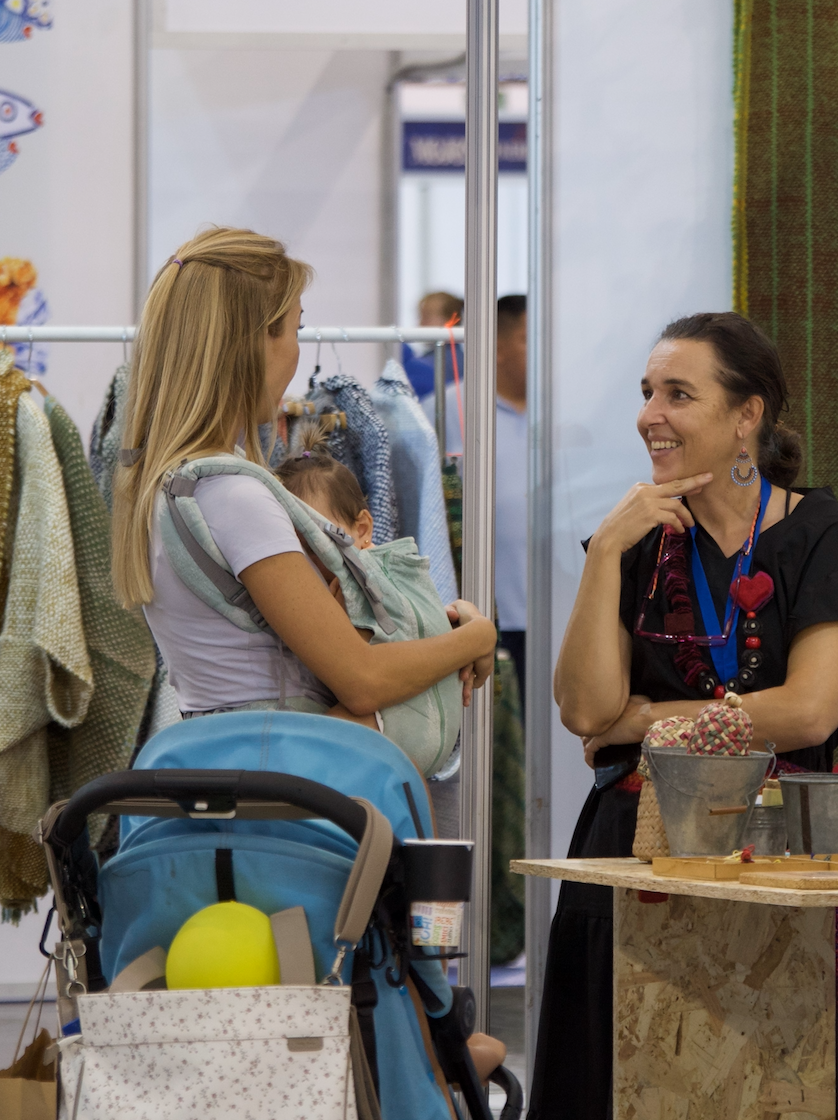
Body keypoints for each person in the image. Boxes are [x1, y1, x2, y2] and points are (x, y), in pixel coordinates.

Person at [527, 312, 838, 1120]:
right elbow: (583, 708)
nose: (648, 415)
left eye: (677, 394)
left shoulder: (819, 532)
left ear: (747, 417)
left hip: (785, 858)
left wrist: (645, 722)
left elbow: (808, 711)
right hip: (637, 852)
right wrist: (602, 555)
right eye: (645, 394)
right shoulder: (631, 540)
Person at [111, 228, 497, 731]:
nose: (297, 350)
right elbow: (363, 680)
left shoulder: (168, 482)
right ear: (253, 343)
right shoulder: (233, 494)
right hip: (279, 777)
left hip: (222, 753)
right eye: (295, 327)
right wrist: (477, 636)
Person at [423, 293, 528, 709]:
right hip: (483, 617)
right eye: (527, 338)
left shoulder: (562, 413)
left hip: (556, 611)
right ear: (497, 346)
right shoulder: (445, 411)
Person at [401, 290, 464, 399]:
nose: (420, 324)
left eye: (426, 317)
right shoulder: (431, 360)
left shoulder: (447, 363)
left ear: (450, 320)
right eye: (420, 317)